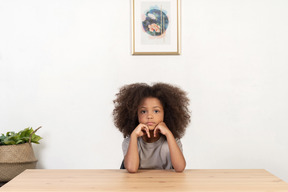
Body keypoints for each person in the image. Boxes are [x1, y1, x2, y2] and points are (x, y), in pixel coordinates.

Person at [113, 83, 190, 173]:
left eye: (156, 111)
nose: (149, 116)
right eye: (143, 111)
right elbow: (131, 169)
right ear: (135, 115)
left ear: (166, 114)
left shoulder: (172, 141)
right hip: (136, 186)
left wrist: (169, 134)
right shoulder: (130, 142)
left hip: (165, 185)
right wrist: (134, 135)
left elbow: (180, 168)